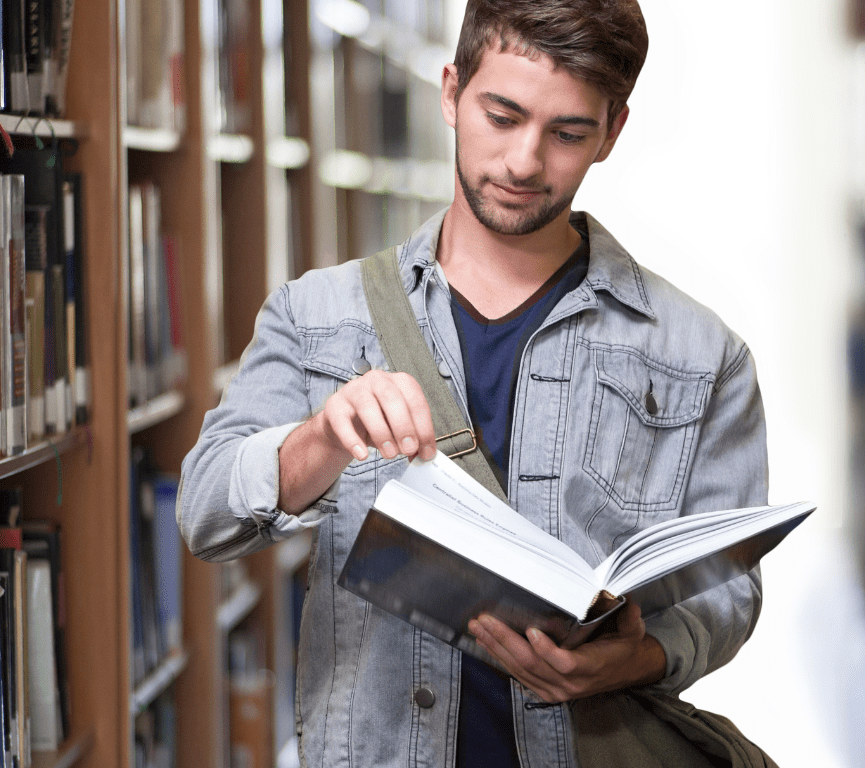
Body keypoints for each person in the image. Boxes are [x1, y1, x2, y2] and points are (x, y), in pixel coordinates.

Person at [178, 0, 769, 765]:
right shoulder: (317, 315)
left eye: (568, 133)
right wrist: (319, 438)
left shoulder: (702, 353)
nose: (526, 161)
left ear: (613, 133)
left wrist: (638, 657)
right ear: (452, 91)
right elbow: (205, 512)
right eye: (503, 114)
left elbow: (730, 592)